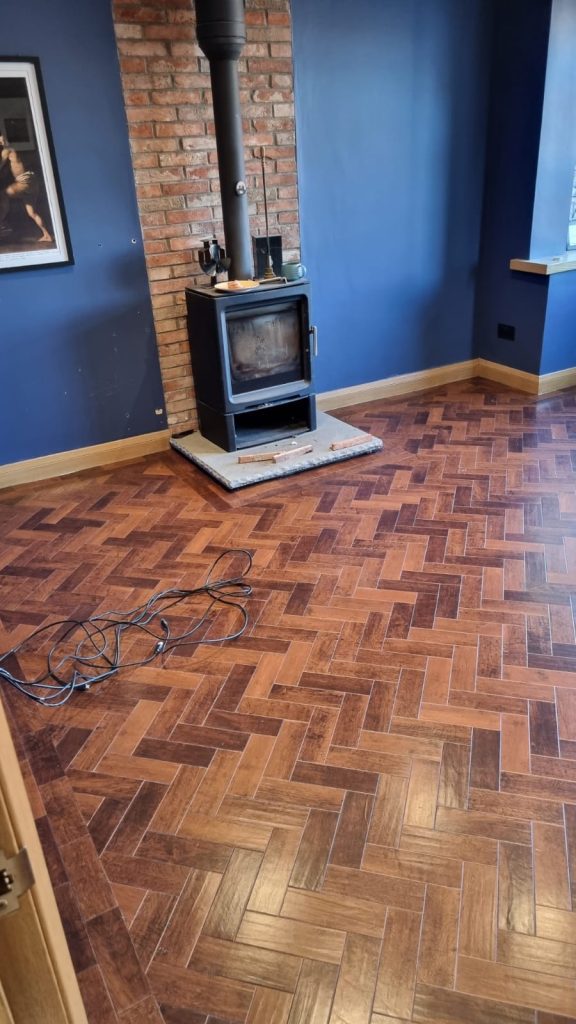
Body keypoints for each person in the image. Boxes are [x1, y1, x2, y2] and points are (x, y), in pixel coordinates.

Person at [0, 133, 53, 242]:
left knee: (2, 194)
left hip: (24, 180)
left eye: (2, 139)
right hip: (32, 181)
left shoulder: (7, 150)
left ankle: (2, 222)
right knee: (31, 213)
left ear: (5, 138)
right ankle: (47, 235)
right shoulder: (12, 149)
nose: (2, 142)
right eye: (0, 141)